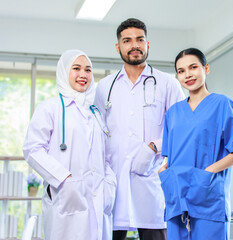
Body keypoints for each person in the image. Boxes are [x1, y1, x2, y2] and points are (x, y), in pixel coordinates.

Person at [94, 18, 185, 240]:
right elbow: (96, 132)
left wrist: (155, 146)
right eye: (127, 40)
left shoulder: (167, 83)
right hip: (113, 180)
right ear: (118, 47)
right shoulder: (105, 87)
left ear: (147, 44)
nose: (134, 45)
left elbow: (182, 128)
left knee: (155, 231)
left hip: (151, 180)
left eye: (139, 39)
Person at [23, 49, 117, 240]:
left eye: (88, 70)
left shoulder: (96, 113)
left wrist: (110, 183)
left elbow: (105, 156)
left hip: (99, 197)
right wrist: (64, 179)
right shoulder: (50, 108)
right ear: (64, 72)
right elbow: (32, 149)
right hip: (65, 196)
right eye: (76, 68)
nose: (83, 74)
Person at [158, 48, 233, 240]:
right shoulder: (173, 113)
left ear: (206, 68)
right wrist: (163, 172)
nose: (187, 75)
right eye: (181, 71)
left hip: (208, 194)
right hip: (177, 195)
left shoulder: (222, 104)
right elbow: (170, 155)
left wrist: (207, 173)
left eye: (193, 67)